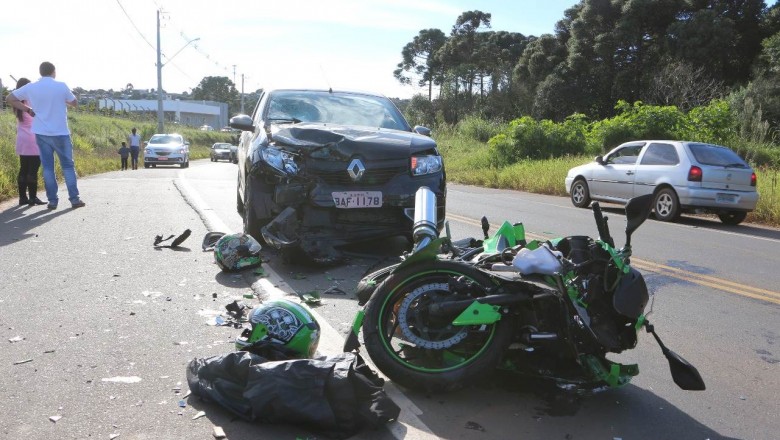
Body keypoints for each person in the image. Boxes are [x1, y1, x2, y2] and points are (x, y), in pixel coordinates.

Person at [6, 61, 85, 210]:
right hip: (61, 133)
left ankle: (53, 201)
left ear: (40, 72)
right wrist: (62, 101)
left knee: (48, 168)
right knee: (67, 166)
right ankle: (74, 199)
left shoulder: (31, 87)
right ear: (53, 71)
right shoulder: (61, 86)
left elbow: (9, 98)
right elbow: (74, 102)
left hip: (41, 133)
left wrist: (28, 109)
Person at [12, 78, 46, 206]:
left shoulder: (17, 104)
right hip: (33, 139)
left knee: (23, 168)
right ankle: (33, 197)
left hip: (22, 139)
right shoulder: (31, 103)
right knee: (33, 170)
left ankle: (22, 198)